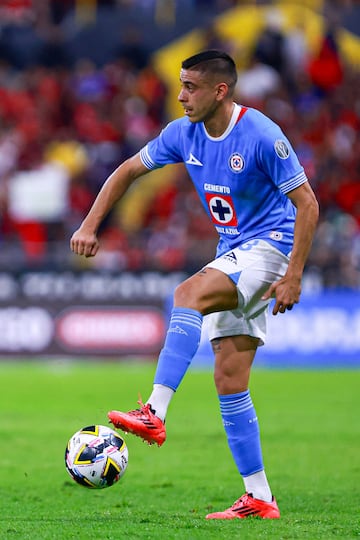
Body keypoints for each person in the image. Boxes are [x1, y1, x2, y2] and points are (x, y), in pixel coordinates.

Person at [70, 50, 319, 520]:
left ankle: (155, 412)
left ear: (220, 91)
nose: (181, 95)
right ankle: (260, 496)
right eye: (180, 84)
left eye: (190, 87)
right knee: (228, 378)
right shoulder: (181, 134)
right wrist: (89, 225)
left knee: (186, 294)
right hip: (235, 252)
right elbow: (126, 170)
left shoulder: (262, 134)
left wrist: (294, 273)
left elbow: (307, 204)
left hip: (270, 247)